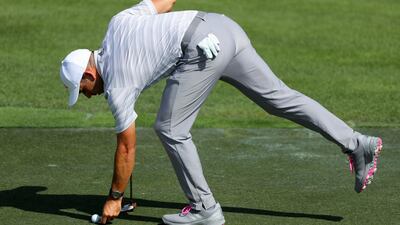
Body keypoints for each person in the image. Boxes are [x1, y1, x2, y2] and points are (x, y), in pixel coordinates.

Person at [59, 0, 383, 224]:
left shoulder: (116, 86)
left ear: (89, 75)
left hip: (201, 48)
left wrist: (115, 197)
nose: (87, 96)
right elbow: (166, 2)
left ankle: (205, 209)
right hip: (223, 26)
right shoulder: (118, 22)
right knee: (279, 97)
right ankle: (357, 143)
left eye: (82, 90)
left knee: (170, 128)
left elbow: (127, 146)